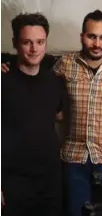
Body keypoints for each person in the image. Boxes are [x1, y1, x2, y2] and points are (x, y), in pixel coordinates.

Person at [2, 10, 102, 216]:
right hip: (72, 158)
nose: (97, 43)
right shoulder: (64, 65)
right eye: (91, 36)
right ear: (82, 37)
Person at [1, 13, 67, 216]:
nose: (34, 49)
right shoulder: (3, 82)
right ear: (15, 43)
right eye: (27, 42)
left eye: (40, 42)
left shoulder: (55, 81)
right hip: (13, 183)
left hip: (50, 181)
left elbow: (58, 116)